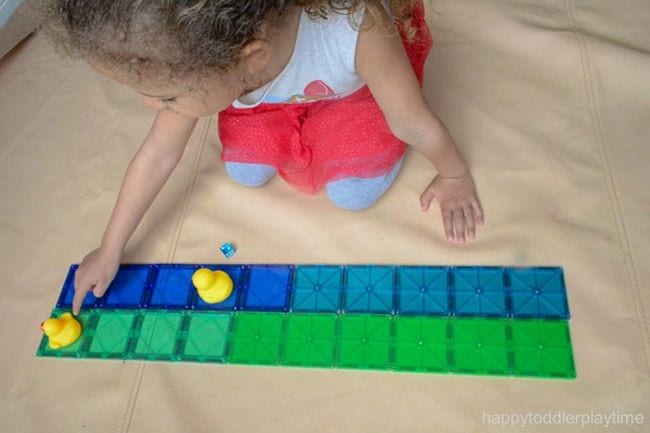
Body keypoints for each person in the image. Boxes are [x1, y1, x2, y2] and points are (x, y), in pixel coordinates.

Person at [44, 0, 484, 314]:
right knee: (244, 169)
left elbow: (411, 120)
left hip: (351, 96)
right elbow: (158, 153)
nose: (149, 106)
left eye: (166, 97)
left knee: (353, 193)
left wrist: (454, 175)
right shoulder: (204, 52)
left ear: (250, 57)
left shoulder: (357, 26)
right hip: (268, 102)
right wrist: (109, 248)